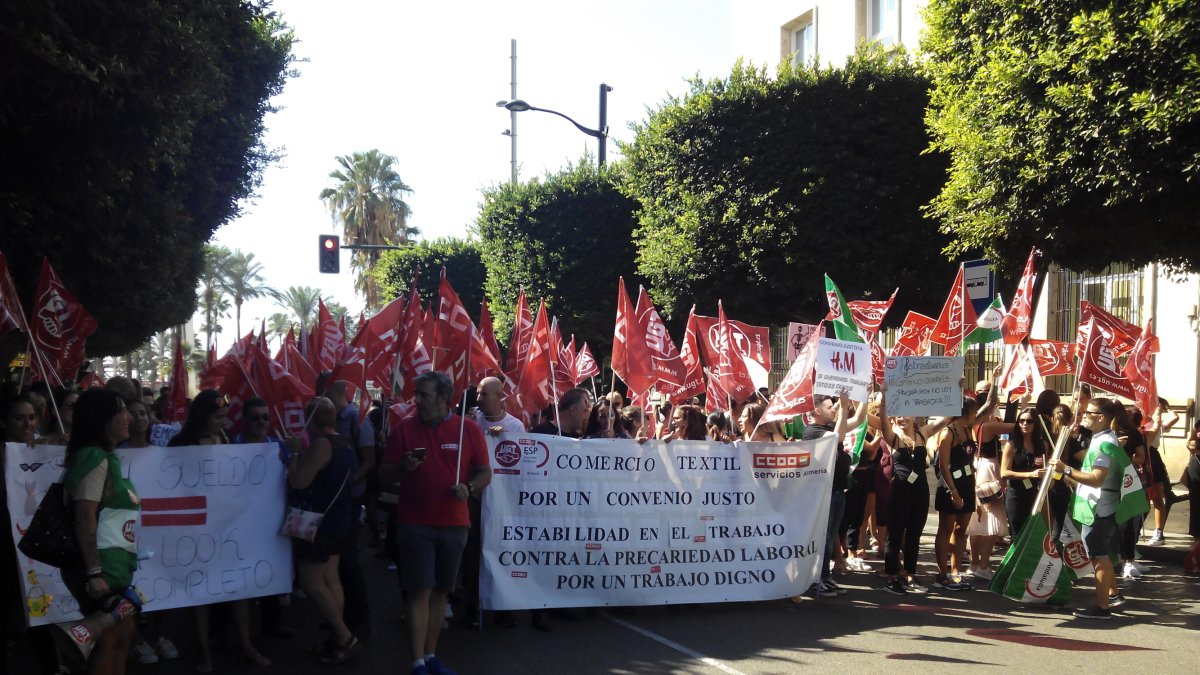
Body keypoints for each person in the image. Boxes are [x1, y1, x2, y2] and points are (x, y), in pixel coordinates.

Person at [381, 371, 492, 675]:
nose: (417, 400)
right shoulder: (403, 430)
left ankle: (431, 656)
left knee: (441, 594)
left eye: (424, 395)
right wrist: (403, 467)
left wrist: (469, 488)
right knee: (419, 592)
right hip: (415, 524)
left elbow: (485, 472)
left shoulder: (467, 431)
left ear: (444, 398)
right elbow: (384, 475)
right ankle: (417, 662)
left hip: (455, 526)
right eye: (417, 394)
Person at [169, 391, 271, 671]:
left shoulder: (224, 439)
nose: (223, 423)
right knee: (200, 590)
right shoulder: (181, 444)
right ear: (203, 416)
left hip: (229, 525)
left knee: (239, 586)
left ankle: (246, 644)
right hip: (198, 528)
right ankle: (204, 651)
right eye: (218, 417)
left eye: (225, 417)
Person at [62, 389, 140, 675]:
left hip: (113, 566)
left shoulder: (105, 457)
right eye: (121, 411)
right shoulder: (94, 458)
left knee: (123, 636)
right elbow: (84, 518)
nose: (128, 417)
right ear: (102, 419)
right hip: (99, 570)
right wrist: (94, 574)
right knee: (109, 640)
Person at [1057, 397, 1146, 620]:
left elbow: (1097, 479)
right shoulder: (1106, 439)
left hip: (1099, 508)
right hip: (1102, 505)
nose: (1083, 415)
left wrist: (1066, 470)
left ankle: (1102, 607)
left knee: (1099, 557)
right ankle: (1113, 595)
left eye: (1088, 413)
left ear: (1101, 417)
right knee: (1102, 554)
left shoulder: (1104, 443)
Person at [287, 397, 361, 664]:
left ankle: (344, 637)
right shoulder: (344, 442)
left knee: (311, 582)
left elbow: (298, 481)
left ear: (311, 419)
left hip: (318, 522)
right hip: (338, 519)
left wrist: (296, 452)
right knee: (331, 580)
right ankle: (336, 638)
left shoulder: (321, 444)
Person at [119, 398, 179, 666]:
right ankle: (135, 641)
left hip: (157, 530)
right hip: (127, 530)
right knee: (129, 588)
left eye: (143, 413)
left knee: (160, 583)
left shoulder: (160, 453)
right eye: (134, 414)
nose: (140, 418)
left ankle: (161, 635)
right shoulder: (116, 454)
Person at [876, 384, 952, 595]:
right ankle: (892, 576)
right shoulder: (893, 436)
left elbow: (946, 419)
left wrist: (956, 391)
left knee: (915, 534)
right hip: (899, 490)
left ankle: (910, 573)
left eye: (906, 414)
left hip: (920, 490)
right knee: (896, 532)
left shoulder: (924, 433)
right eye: (898, 415)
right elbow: (883, 422)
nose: (902, 418)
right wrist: (884, 398)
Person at [231, 398, 296, 641]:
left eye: (265, 417)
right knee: (241, 576)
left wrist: (293, 456)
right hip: (239, 521)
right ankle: (237, 631)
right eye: (255, 417)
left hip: (271, 521)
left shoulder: (278, 446)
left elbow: (293, 475)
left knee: (271, 571)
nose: (261, 422)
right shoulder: (232, 446)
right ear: (245, 419)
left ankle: (272, 624)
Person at [802, 392, 867, 598]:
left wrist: (864, 396)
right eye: (830, 407)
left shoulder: (830, 426)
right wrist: (845, 406)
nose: (834, 409)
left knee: (830, 536)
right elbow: (837, 438)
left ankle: (825, 576)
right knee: (824, 537)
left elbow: (858, 420)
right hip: (824, 493)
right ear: (818, 411)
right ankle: (817, 579)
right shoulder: (811, 432)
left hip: (838, 490)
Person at [324, 380, 375, 639]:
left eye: (324, 389)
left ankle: (358, 619)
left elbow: (369, 461)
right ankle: (337, 614)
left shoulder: (358, 419)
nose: (320, 394)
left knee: (348, 561)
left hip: (350, 499)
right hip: (330, 502)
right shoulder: (325, 419)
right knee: (333, 562)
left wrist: (346, 483)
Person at [932, 397, 980, 591]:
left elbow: (989, 406)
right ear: (966, 411)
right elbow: (943, 465)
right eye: (974, 411)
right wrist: (953, 492)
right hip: (950, 486)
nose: (976, 415)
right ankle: (942, 574)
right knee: (946, 528)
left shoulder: (968, 429)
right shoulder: (947, 432)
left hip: (967, 484)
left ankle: (956, 572)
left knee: (961, 530)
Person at [1142, 397, 1178, 546]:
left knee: (1157, 497)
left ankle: (1159, 532)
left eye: (1161, 409)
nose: (1159, 410)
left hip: (1153, 458)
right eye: (1156, 407)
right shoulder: (1142, 422)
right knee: (1142, 498)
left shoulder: (1159, 424)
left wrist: (1165, 408)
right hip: (1142, 456)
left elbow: (1175, 417)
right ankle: (1136, 529)